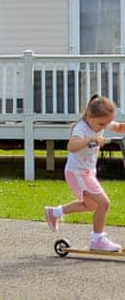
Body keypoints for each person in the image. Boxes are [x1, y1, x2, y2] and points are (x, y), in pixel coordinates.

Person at [45, 94, 124, 251]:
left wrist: (110, 128)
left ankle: (54, 212)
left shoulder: (100, 121)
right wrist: (90, 140)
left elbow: (120, 127)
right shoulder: (81, 128)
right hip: (77, 173)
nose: (104, 127)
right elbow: (71, 146)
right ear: (89, 115)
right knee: (104, 203)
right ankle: (97, 240)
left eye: (106, 124)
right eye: (101, 124)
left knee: (91, 205)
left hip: (86, 172)